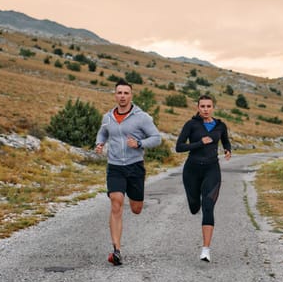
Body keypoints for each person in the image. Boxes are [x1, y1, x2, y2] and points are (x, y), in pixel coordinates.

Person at [95, 78, 161, 266]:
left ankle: (135, 202)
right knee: (116, 203)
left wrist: (140, 143)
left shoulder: (142, 117)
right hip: (115, 166)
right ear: (115, 95)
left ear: (131, 96)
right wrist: (99, 143)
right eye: (119, 93)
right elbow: (103, 132)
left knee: (136, 209)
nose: (122, 96)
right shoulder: (107, 117)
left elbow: (156, 138)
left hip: (135, 166)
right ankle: (116, 250)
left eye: (126, 93)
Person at [176, 94, 231, 262]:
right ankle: (195, 203)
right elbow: (179, 147)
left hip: (212, 169)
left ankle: (206, 250)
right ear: (198, 108)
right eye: (202, 106)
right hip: (192, 170)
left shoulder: (220, 125)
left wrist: (228, 149)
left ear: (213, 107)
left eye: (209, 106)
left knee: (208, 205)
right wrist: (200, 143)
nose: (206, 109)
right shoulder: (191, 124)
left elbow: (225, 141)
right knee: (194, 207)